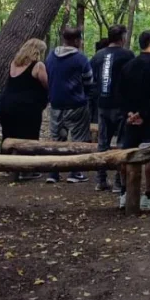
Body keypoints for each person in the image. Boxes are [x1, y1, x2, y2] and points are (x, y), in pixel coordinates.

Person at [117, 30, 150, 211]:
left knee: (128, 154)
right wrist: (143, 115)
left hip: (131, 119)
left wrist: (129, 114)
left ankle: (125, 193)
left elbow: (121, 94)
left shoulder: (128, 66)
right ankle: (149, 195)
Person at [44, 26, 95, 184]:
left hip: (56, 104)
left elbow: (48, 76)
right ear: (76, 40)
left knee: (57, 138)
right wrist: (85, 96)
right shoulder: (80, 59)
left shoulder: (51, 56)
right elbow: (89, 80)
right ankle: (75, 171)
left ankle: (53, 173)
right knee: (78, 139)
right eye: (80, 39)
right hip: (76, 104)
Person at [90, 25, 135, 192]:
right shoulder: (128, 55)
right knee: (122, 143)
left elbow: (91, 80)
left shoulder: (98, 56)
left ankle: (101, 179)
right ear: (122, 37)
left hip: (102, 104)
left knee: (103, 143)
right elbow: (132, 79)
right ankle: (118, 181)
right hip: (121, 105)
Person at [0, 39, 49, 180]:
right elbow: (46, 84)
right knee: (29, 136)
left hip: (6, 104)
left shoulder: (14, 63)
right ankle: (27, 169)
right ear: (37, 51)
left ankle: (8, 166)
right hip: (27, 107)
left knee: (9, 135)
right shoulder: (38, 66)